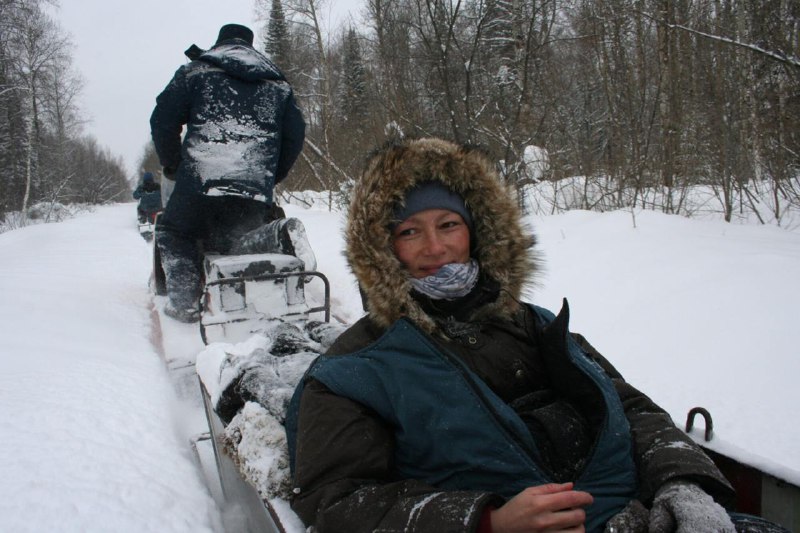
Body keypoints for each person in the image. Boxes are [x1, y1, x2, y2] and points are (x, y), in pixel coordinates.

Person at [285, 138, 785, 533]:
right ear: (382, 246)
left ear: (477, 231)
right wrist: (487, 521)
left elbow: (630, 407)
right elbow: (337, 501)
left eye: (448, 224)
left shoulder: (535, 322)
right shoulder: (355, 368)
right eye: (410, 231)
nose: (436, 247)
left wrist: (681, 482)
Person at [149, 23, 311, 323]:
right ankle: (257, 293)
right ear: (250, 45)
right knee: (238, 239)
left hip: (199, 180)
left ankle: (185, 304)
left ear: (219, 42)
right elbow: (295, 136)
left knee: (175, 232)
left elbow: (162, 120)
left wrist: (173, 166)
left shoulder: (196, 72)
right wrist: (267, 176)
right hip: (252, 185)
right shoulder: (277, 84)